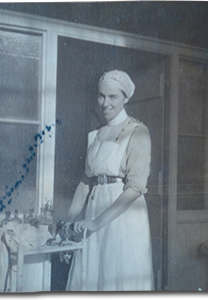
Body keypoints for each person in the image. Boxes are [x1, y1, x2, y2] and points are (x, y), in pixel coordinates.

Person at [65, 70, 154, 291]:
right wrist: (69, 221)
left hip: (123, 218)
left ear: (125, 97)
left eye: (112, 97)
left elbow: (135, 188)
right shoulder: (94, 136)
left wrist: (96, 223)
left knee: (116, 277)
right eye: (101, 96)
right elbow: (86, 182)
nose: (105, 103)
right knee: (92, 277)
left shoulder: (138, 132)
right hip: (94, 213)